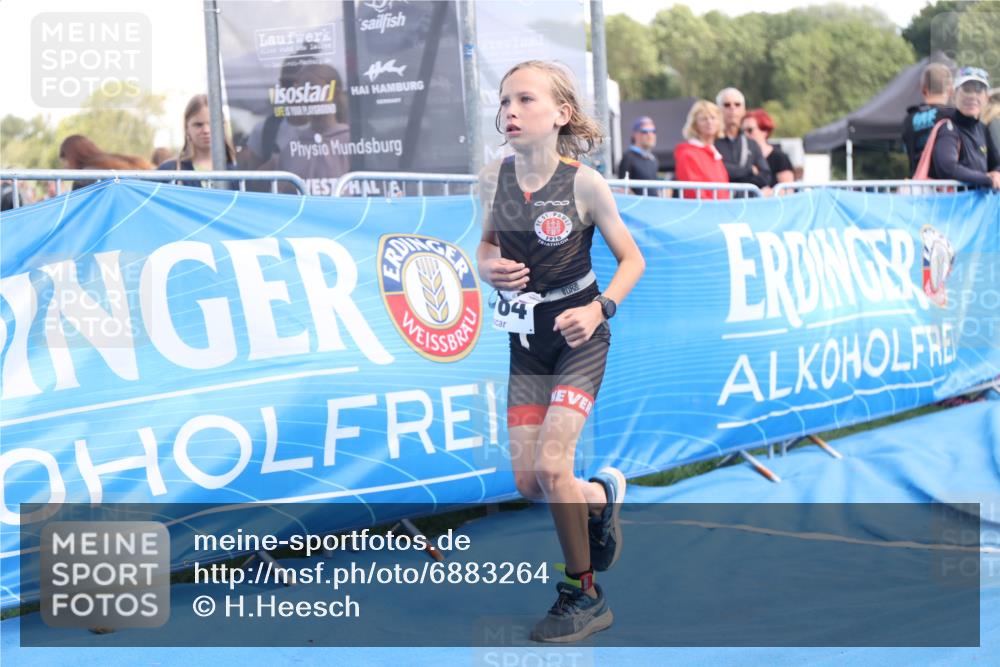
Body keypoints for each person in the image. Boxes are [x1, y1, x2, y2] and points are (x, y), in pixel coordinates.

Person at [477, 60, 645, 642]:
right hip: (526, 344)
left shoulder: (584, 183)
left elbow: (632, 261)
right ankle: (603, 496)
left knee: (553, 467)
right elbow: (485, 247)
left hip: (580, 338)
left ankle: (584, 592)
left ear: (560, 114)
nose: (510, 112)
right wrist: (488, 267)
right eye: (504, 102)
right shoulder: (493, 178)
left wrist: (599, 309)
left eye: (524, 100)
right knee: (531, 483)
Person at [930, 67, 1000, 190]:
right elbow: (948, 167)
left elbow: (997, 163)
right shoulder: (948, 128)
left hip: (978, 207)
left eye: (979, 90)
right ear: (954, 95)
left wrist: (996, 174)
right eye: (967, 89)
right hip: (951, 206)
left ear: (986, 98)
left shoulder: (982, 128)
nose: (972, 96)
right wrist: (986, 179)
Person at [157, 94, 237, 186]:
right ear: (187, 128)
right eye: (198, 125)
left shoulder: (238, 173)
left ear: (223, 126)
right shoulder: (169, 171)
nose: (206, 130)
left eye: (212, 123)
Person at [714, 87, 771, 195]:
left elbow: (765, 176)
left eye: (737, 104)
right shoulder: (711, 142)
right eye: (727, 105)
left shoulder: (751, 144)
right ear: (718, 109)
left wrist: (742, 186)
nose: (732, 109)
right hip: (719, 203)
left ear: (744, 110)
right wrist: (749, 170)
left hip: (746, 204)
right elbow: (715, 171)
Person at [902, 63, 954, 174]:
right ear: (950, 91)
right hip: (950, 187)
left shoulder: (909, 119)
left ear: (923, 90)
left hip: (918, 186)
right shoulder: (954, 116)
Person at [673, 100, 730, 199]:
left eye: (713, 118)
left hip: (721, 210)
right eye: (704, 119)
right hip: (704, 211)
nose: (709, 122)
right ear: (695, 124)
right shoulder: (687, 154)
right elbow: (694, 192)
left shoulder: (715, 153)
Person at [58, 135, 153, 190]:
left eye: (64, 161)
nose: (64, 166)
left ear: (71, 157)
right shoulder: (119, 162)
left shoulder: (85, 177)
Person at [742, 108, 794, 189]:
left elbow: (788, 190)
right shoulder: (741, 157)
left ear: (765, 131)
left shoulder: (779, 158)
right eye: (742, 131)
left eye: (750, 130)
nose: (745, 134)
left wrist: (768, 194)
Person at [616, 116, 659, 194]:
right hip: (639, 205)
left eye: (653, 131)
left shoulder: (653, 159)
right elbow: (623, 188)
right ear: (635, 134)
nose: (650, 135)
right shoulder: (628, 158)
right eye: (645, 131)